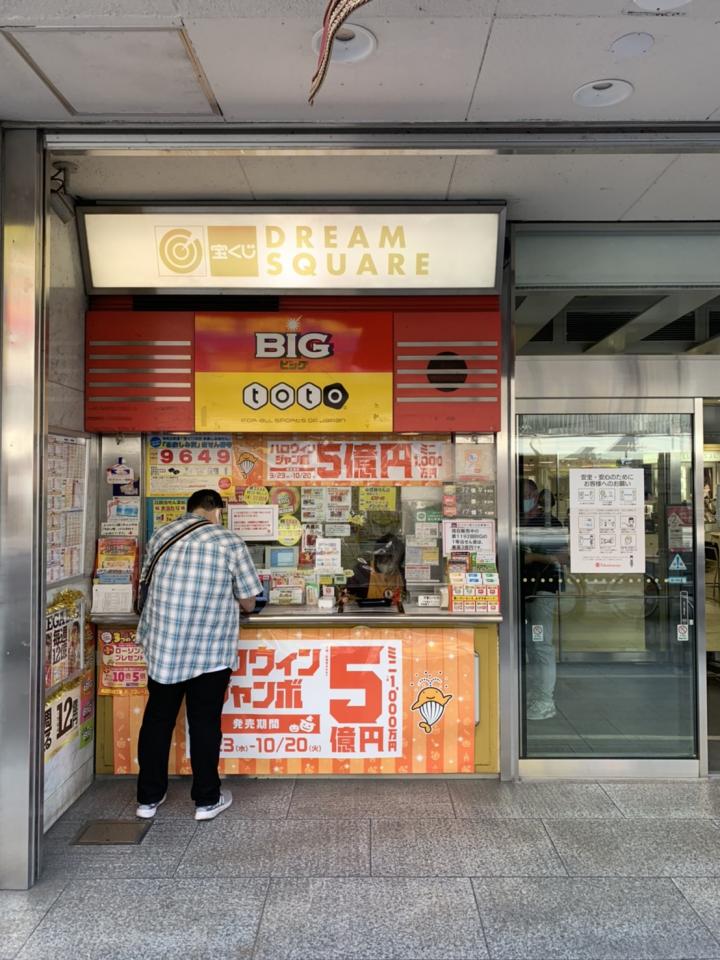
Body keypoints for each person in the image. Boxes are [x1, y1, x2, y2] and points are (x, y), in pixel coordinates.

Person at [135, 488, 261, 821]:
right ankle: (206, 800)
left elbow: (146, 582)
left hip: (165, 647)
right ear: (216, 510)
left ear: (188, 508)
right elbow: (249, 600)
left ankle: (148, 799)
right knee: (204, 723)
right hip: (209, 649)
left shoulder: (161, 535)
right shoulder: (228, 541)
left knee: (157, 719)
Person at [520, 479, 567, 721]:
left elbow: (563, 556)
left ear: (536, 495)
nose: (524, 498)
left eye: (527, 494)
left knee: (541, 645)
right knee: (525, 646)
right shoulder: (515, 520)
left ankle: (546, 700)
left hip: (542, 592)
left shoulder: (549, 522)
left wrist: (534, 558)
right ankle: (530, 694)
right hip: (518, 593)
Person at [345, 533, 405, 602]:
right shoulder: (361, 571)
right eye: (387, 559)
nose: (391, 565)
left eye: (396, 562)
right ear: (377, 556)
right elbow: (348, 598)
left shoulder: (402, 574)